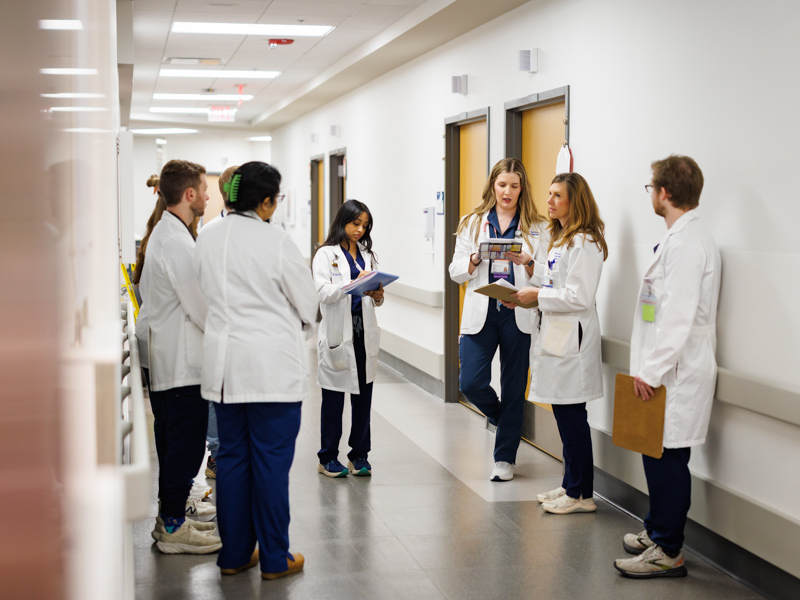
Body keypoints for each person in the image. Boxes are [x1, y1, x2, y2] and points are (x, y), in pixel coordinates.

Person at [195, 161, 317, 580]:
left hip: (224, 370)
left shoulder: (207, 237)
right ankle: (274, 557)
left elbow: (199, 303)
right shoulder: (276, 241)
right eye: (275, 200)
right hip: (269, 372)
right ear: (265, 202)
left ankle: (233, 555)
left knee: (232, 461)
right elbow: (308, 304)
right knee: (269, 463)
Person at [614, 156, 720, 578]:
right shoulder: (680, 238)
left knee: (669, 459)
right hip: (665, 368)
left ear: (665, 193)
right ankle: (657, 530)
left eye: (651, 188)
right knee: (656, 453)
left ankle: (668, 550)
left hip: (675, 372)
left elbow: (677, 315)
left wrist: (652, 371)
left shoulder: (689, 242)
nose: (651, 195)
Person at [507, 172, 607, 512]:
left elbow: (578, 296)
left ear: (573, 201)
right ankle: (570, 485)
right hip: (557, 334)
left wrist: (538, 294)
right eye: (548, 194)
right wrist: (526, 296)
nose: (548, 201)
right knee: (565, 413)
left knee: (572, 416)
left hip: (573, 339)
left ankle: (581, 494)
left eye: (556, 196)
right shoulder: (563, 238)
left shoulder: (586, 242)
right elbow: (553, 284)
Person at [448, 158, 548, 482]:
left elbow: (548, 274)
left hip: (517, 310)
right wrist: (476, 257)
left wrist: (528, 261)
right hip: (482, 310)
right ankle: (507, 422)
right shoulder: (472, 222)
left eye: (514, 186)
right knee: (471, 383)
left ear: (522, 189)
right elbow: (455, 271)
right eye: (502, 184)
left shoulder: (537, 225)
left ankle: (504, 458)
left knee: (514, 386)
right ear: (493, 185)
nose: (507, 191)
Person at [140, 160, 220, 554]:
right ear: (189, 194)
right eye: (204, 189)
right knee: (185, 448)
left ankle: (172, 517)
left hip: (173, 361)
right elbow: (200, 306)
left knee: (179, 446)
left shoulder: (168, 233)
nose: (208, 195)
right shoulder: (174, 240)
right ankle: (172, 528)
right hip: (181, 366)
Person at [313, 200, 384, 477]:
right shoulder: (325, 254)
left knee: (363, 398)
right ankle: (328, 457)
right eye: (356, 223)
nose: (360, 229)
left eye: (364, 225)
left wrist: (378, 295)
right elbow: (323, 292)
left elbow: (375, 296)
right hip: (337, 333)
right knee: (333, 399)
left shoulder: (368, 254)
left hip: (363, 332)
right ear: (343, 220)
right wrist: (353, 285)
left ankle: (359, 455)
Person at [196, 163, 239, 480]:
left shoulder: (264, 233)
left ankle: (234, 448)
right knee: (217, 395)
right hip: (218, 327)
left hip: (250, 334)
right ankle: (216, 453)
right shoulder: (207, 235)